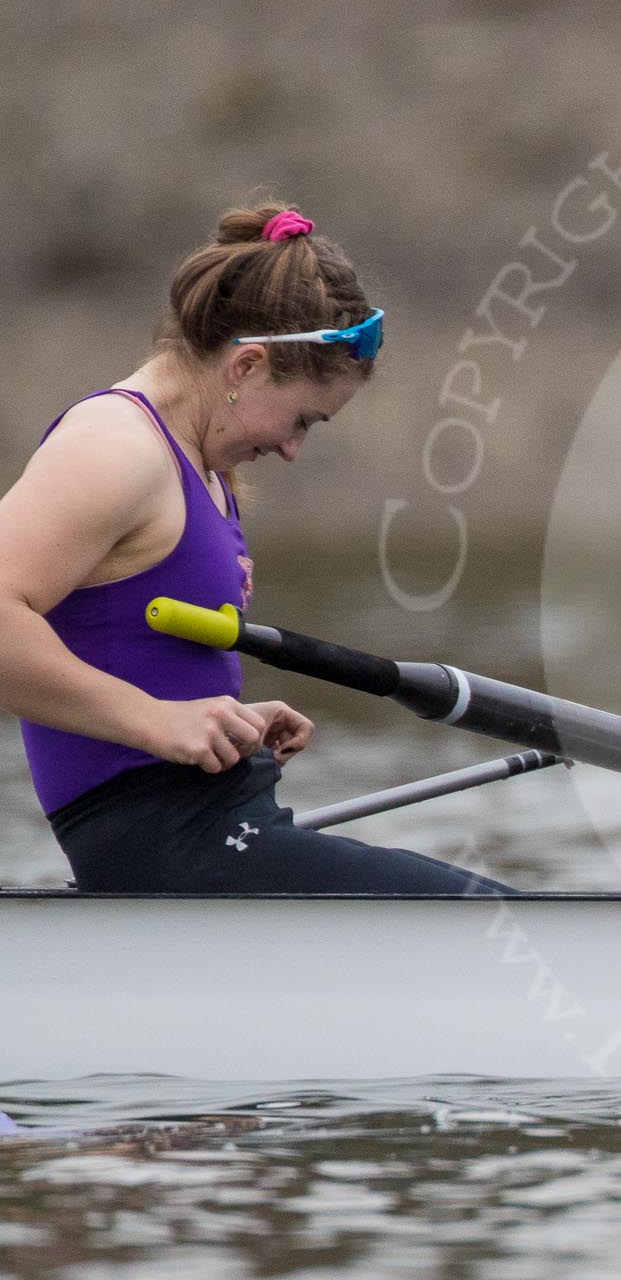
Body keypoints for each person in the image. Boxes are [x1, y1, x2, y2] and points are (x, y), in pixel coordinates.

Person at [0, 202, 513, 894]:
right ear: (246, 366)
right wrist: (158, 721)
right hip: (162, 842)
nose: (294, 450)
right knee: (489, 916)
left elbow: (130, 641)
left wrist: (222, 721)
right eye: (303, 418)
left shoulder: (195, 458)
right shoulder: (115, 449)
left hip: (214, 823)